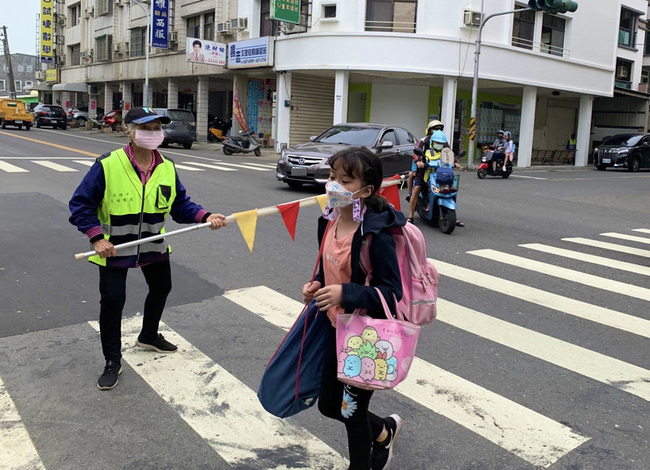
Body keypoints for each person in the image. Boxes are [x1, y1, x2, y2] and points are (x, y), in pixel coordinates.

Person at [69, 107, 227, 391]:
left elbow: (179, 204)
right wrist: (96, 237)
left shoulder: (166, 166)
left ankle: (149, 335)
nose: (153, 134)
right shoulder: (107, 165)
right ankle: (112, 361)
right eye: (146, 128)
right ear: (129, 132)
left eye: (157, 128)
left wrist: (205, 216)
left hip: (153, 242)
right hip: (114, 247)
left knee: (162, 287)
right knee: (113, 302)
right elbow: (80, 205)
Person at [302, 147, 405, 470]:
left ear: (367, 190)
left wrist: (345, 293)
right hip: (336, 328)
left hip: (366, 336)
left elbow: (391, 293)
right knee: (330, 405)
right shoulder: (329, 220)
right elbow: (328, 267)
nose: (334, 186)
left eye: (345, 180)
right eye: (332, 177)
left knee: (351, 411)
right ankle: (384, 431)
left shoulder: (375, 234)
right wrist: (317, 285)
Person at [406, 120, 444, 203]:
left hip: (438, 169)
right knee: (417, 188)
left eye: (440, 129)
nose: (438, 131)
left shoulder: (443, 140)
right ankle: (410, 214)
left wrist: (455, 161)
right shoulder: (423, 141)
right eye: (435, 129)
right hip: (423, 168)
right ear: (430, 130)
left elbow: (448, 151)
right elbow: (416, 154)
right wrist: (418, 163)